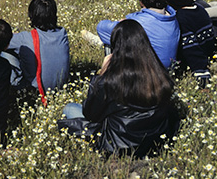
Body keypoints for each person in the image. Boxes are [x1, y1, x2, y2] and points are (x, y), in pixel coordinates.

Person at [58, 19, 180, 157]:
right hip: (153, 141)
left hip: (117, 143)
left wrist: (100, 76)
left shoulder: (111, 80)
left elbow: (90, 113)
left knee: (69, 108)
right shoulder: (159, 74)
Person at [96, 0, 180, 68]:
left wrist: (124, 23)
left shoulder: (139, 22)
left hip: (147, 74)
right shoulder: (172, 18)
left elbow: (101, 28)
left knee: (115, 38)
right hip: (169, 71)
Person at [2, 0, 69, 96]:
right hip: (60, 88)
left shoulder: (24, 38)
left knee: (3, 50)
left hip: (35, 90)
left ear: (32, 15)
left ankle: (12, 86)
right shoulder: (62, 33)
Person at [166, 0, 217, 87]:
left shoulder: (182, 18)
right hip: (208, 52)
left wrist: (201, 73)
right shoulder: (200, 9)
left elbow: (191, 49)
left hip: (195, 61)